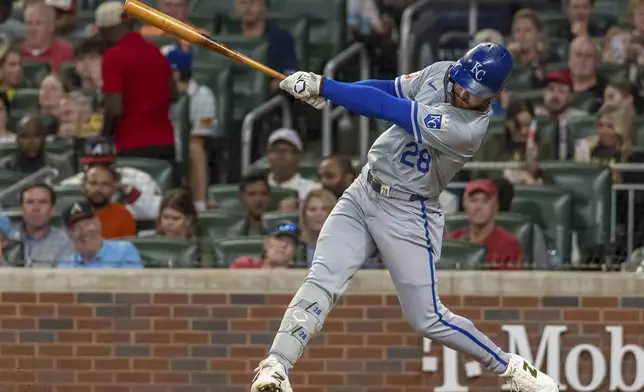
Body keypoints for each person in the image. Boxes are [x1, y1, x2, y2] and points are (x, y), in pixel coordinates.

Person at [250, 43, 558, 392]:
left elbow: (388, 108)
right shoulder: (442, 71)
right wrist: (333, 90)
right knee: (322, 278)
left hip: (408, 212)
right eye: (461, 82)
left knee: (427, 318)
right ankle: (276, 365)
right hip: (364, 189)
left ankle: (511, 368)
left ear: (493, 95)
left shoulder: (467, 129)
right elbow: (386, 88)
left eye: (472, 92)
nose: (461, 92)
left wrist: (326, 88)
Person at [96, 1, 177, 162]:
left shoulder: (113, 56)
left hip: (132, 143)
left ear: (106, 31)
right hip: (166, 142)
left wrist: (104, 135)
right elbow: (173, 93)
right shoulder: (155, 51)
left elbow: (114, 109)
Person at [60, 136, 162, 221]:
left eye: (105, 164)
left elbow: (158, 212)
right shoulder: (70, 185)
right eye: (93, 165)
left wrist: (129, 191)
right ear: (85, 166)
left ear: (114, 163)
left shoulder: (138, 179)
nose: (99, 170)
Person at [164, 45, 215, 211]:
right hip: (161, 145)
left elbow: (198, 139)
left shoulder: (202, 95)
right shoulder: (155, 92)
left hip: (183, 148)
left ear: (175, 73)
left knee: (195, 149)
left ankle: (199, 203)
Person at [446, 180, 525, 270]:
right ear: (464, 205)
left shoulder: (509, 246)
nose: (478, 207)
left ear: (495, 206)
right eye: (473, 201)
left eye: (485, 201)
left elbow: (513, 282)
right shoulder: (452, 241)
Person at [57, 200, 142, 269]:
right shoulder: (65, 267)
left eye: (88, 223)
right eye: (77, 227)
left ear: (98, 223)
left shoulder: (124, 251)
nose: (85, 230)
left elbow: (133, 287)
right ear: (69, 234)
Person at [12, 182, 73, 267]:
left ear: (52, 210)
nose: (36, 208)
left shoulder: (66, 241)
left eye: (42, 202)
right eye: (30, 202)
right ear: (22, 210)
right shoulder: (7, 238)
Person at [534, 70, 587, 160]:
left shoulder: (580, 119)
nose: (555, 95)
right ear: (543, 93)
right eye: (550, 89)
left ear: (570, 96)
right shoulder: (532, 116)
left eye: (561, 91)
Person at [0, 114, 73, 179]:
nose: (31, 141)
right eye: (24, 136)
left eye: (36, 136)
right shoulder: (4, 167)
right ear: (17, 139)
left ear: (44, 138)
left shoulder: (60, 165)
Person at [82, 164, 137, 239]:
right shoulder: (71, 214)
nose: (98, 189)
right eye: (93, 183)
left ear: (113, 189)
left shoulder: (123, 215)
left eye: (105, 184)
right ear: (83, 186)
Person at [20, 2, 74, 71]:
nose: (33, 29)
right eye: (29, 23)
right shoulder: (16, 52)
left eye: (38, 24)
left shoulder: (67, 51)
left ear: (51, 26)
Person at [230, 224, 298, 269]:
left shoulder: (302, 280)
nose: (284, 245)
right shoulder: (244, 265)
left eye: (290, 242)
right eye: (279, 239)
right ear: (266, 244)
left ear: (294, 252)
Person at [227, 172, 270, 237]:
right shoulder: (235, 233)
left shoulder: (280, 226)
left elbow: (290, 228)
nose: (258, 200)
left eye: (264, 194)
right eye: (252, 194)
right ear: (241, 199)